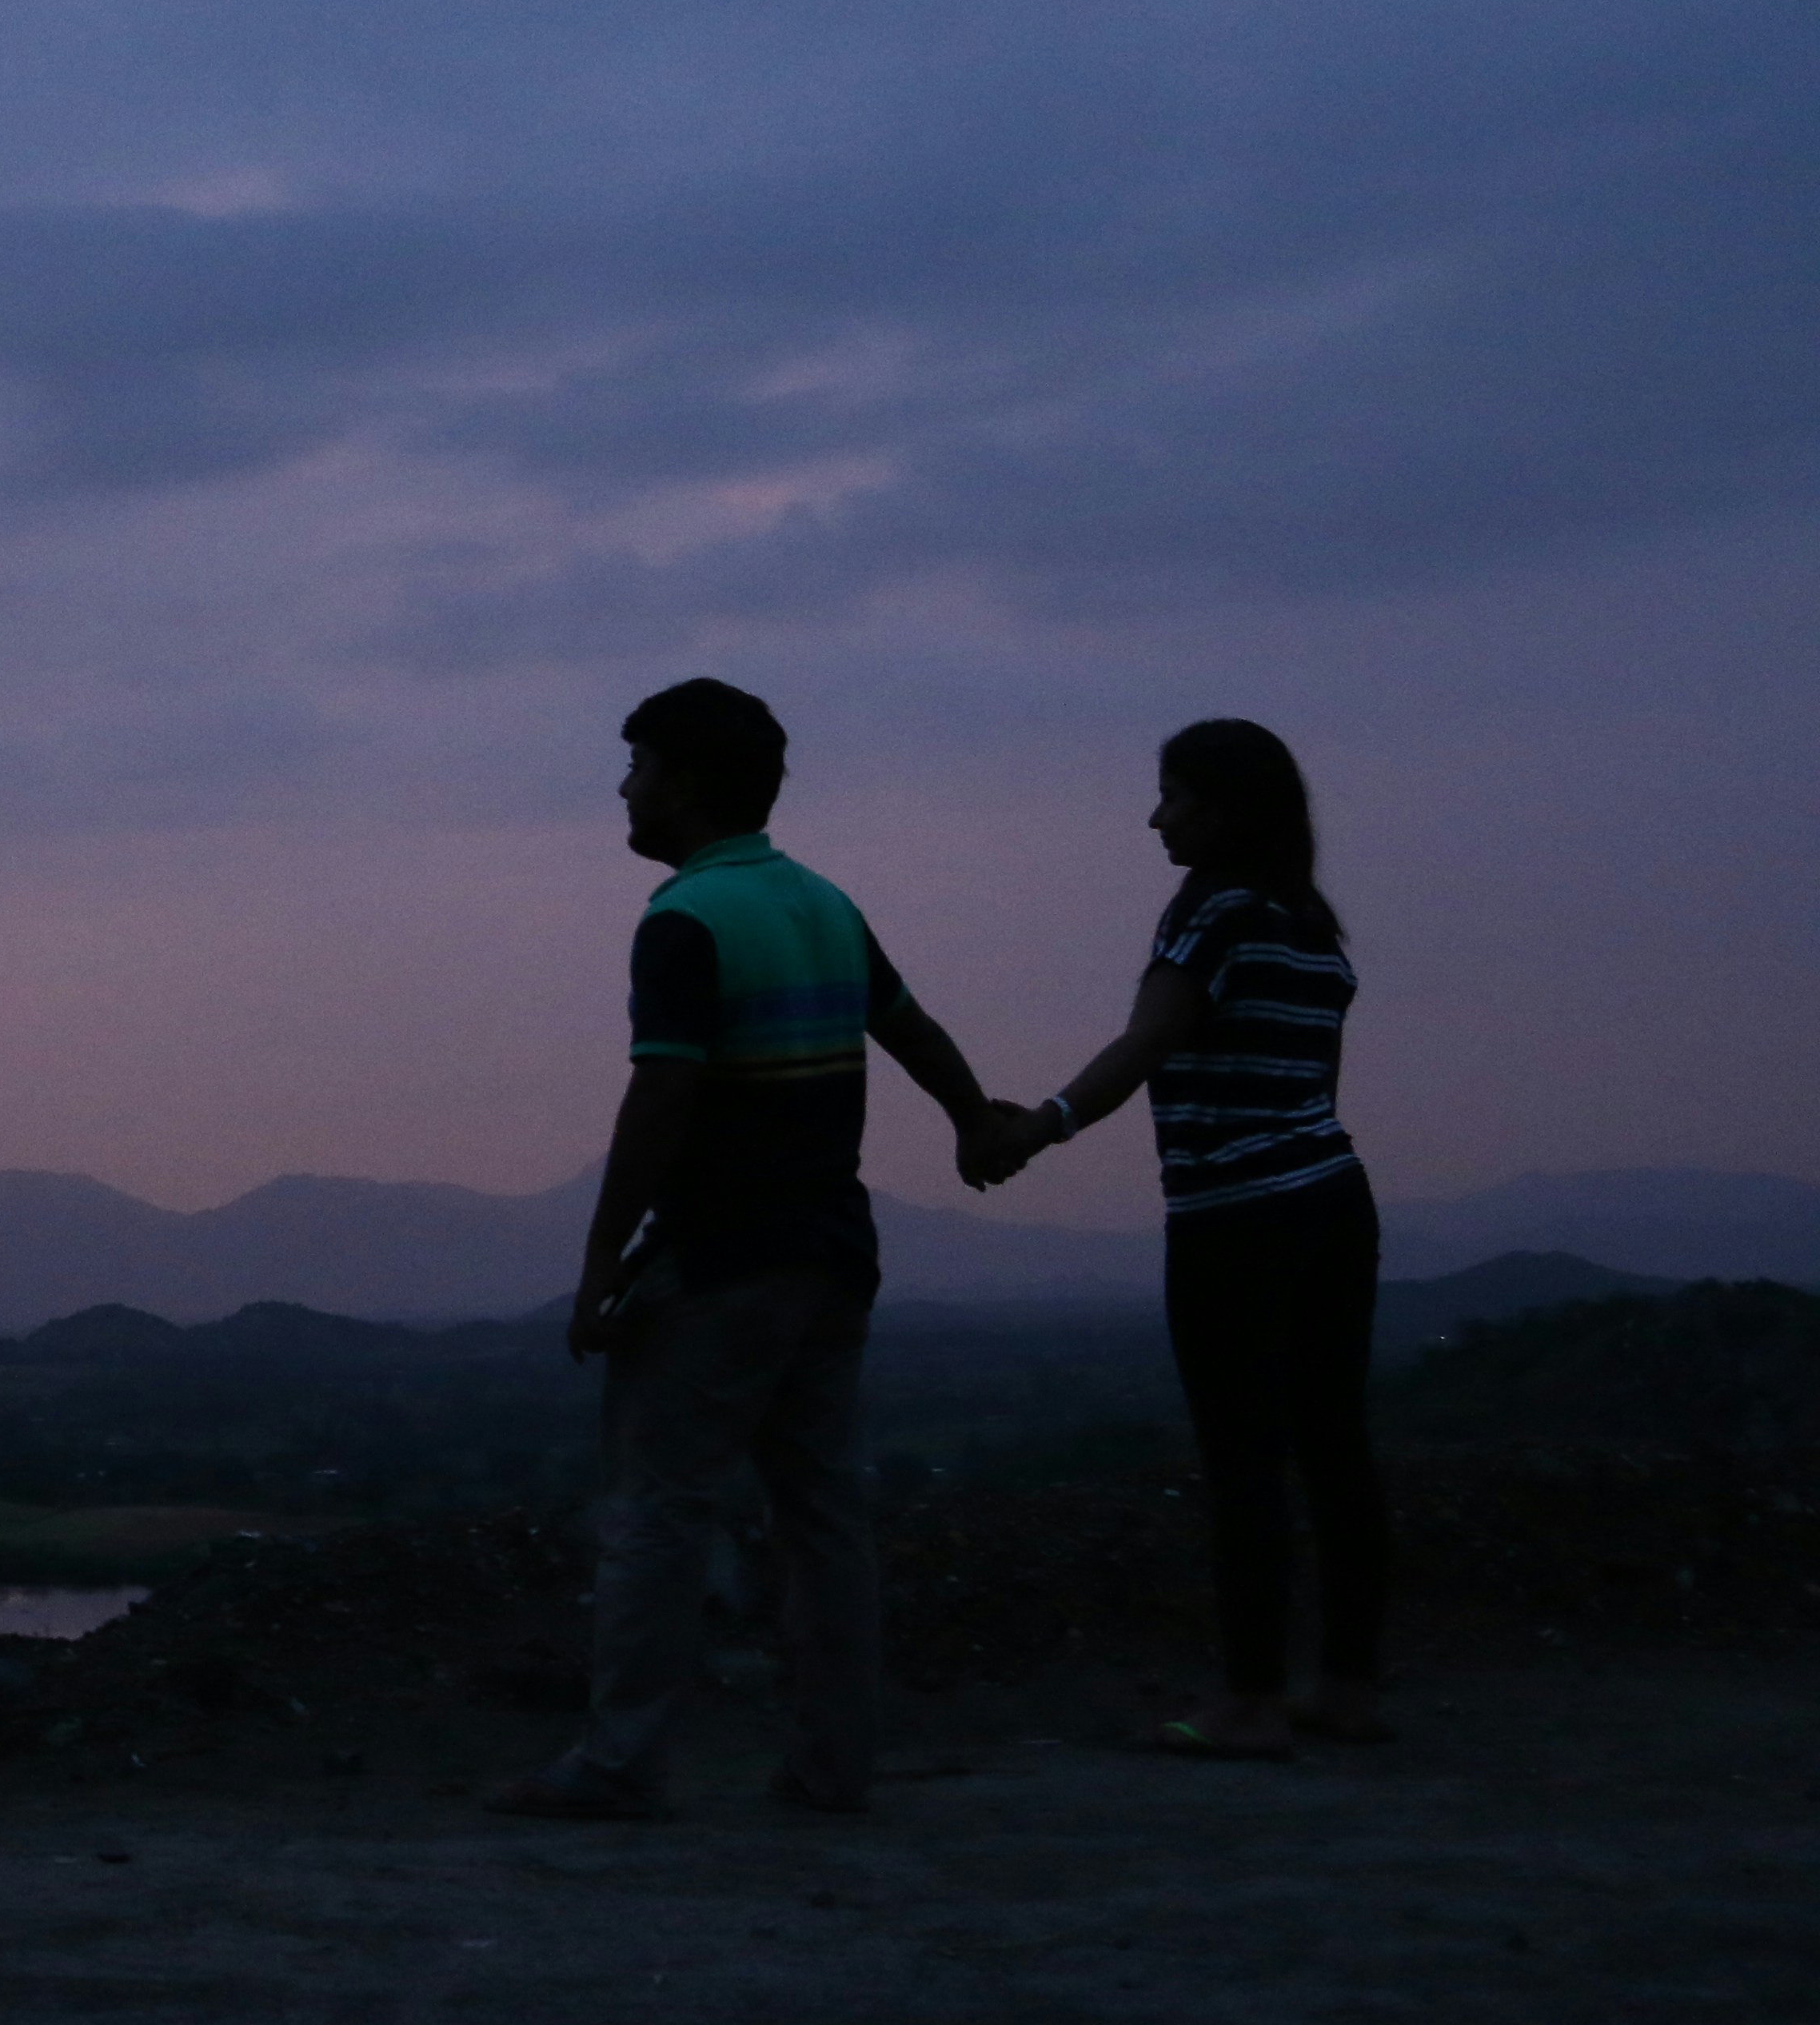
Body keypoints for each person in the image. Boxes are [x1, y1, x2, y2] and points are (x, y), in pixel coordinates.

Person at [488, 678, 1001, 1822]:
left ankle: (620, 1765)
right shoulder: (822, 903)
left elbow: (661, 1100)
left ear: (689, 781)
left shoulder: (687, 920)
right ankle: (833, 1767)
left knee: (659, 1512)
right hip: (830, 1257)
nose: (624, 787)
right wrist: (975, 1118)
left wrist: (597, 1265)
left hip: (721, 1264)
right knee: (822, 1513)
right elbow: (909, 1028)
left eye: (638, 764)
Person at [971, 718, 1386, 1757]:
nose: (1157, 816)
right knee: (1334, 1446)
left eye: (1175, 796)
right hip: (1333, 1202)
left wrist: (1039, 1128)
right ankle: (1344, 1688)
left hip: (1236, 1218)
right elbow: (1314, 1085)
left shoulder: (1211, 911)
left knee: (1243, 1456)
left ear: (1226, 807)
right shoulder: (1308, 924)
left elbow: (1150, 1041)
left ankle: (1248, 1700)